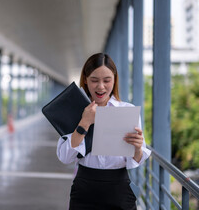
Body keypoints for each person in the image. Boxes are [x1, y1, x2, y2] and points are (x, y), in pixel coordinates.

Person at [56, 53, 151, 210]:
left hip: (119, 189)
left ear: (114, 80)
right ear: (85, 80)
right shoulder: (74, 111)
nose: (101, 86)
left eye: (107, 80)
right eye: (94, 80)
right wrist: (84, 122)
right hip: (84, 190)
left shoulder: (126, 110)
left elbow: (137, 161)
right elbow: (65, 157)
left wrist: (137, 148)